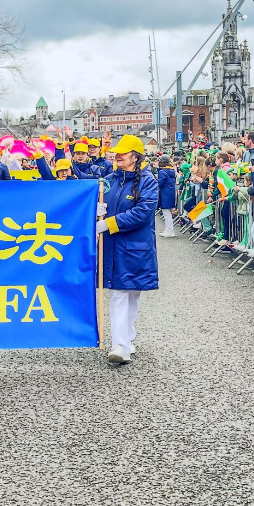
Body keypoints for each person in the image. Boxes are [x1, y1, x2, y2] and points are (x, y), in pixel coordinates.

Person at [96, 135, 159, 364]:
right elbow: (98, 200)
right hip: (115, 246)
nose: (117, 155)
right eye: (117, 152)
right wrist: (97, 208)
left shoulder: (148, 181)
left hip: (137, 247)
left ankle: (127, 338)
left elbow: (143, 212)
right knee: (120, 294)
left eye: (123, 152)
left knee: (132, 293)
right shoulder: (109, 180)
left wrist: (108, 223)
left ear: (135, 156)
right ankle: (120, 344)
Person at [157, 154, 176, 237]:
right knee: (168, 212)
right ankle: (168, 229)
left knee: (166, 213)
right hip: (170, 192)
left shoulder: (162, 171)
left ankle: (170, 231)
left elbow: (160, 183)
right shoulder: (172, 171)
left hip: (165, 193)